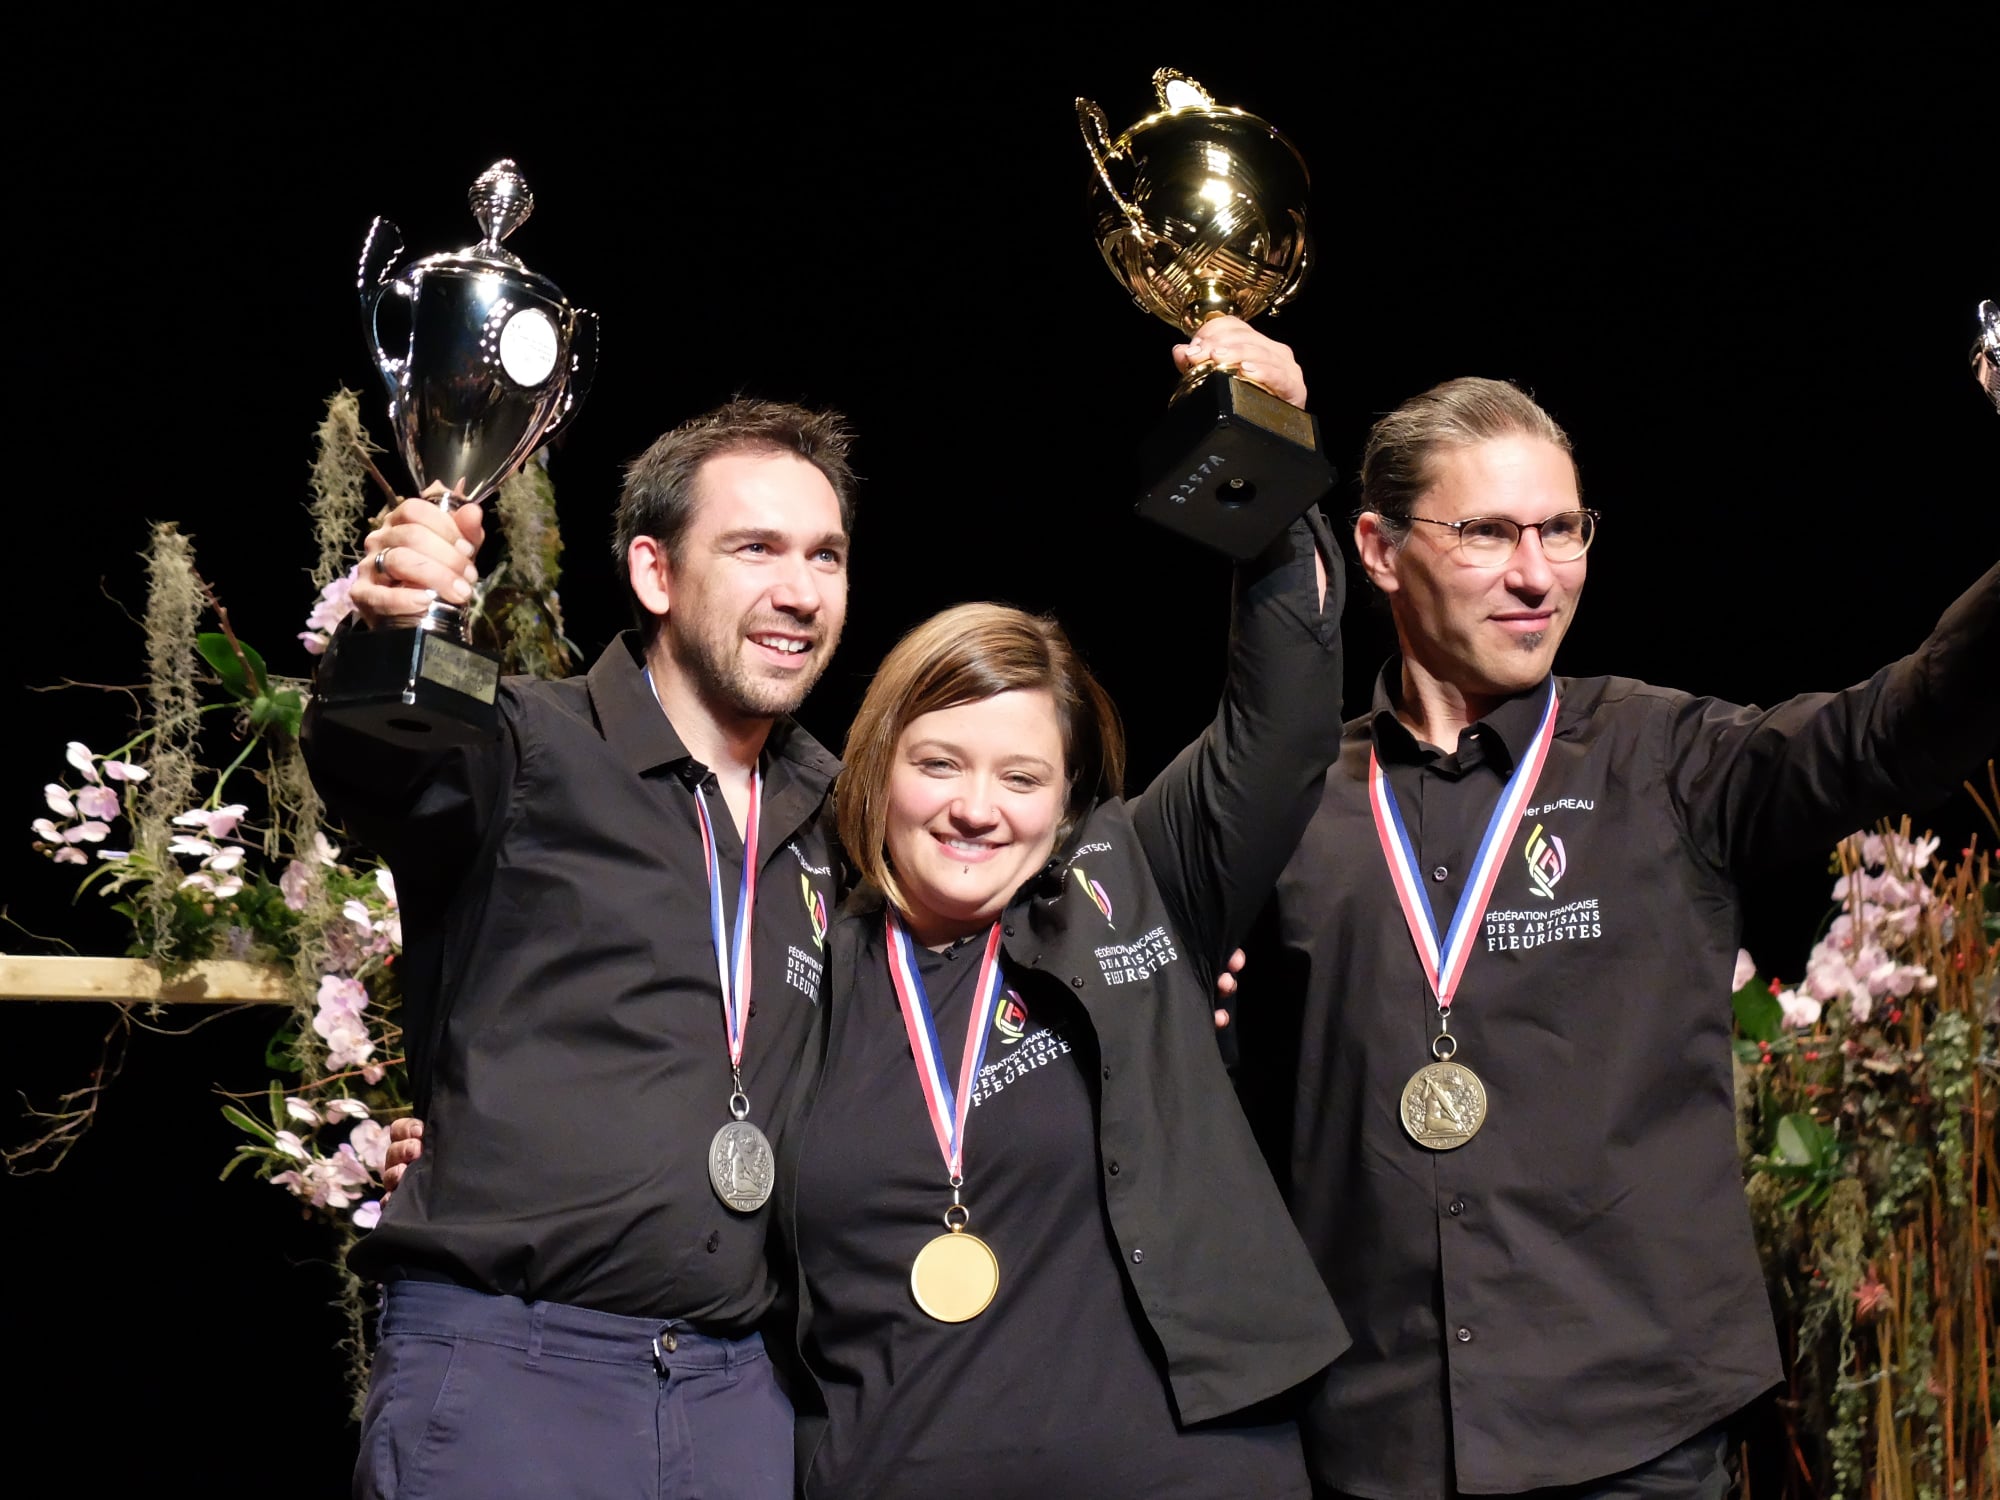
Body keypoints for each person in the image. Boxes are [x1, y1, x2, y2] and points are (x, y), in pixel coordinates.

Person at [1237, 368, 1998, 1497]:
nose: (1535, 575)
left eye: (1560, 530)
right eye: (1487, 533)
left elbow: (1894, 729)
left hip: (1634, 1433)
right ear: (1380, 550)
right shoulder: (1286, 804)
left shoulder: (1664, 761)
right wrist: (1251, 441)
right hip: (1374, 1436)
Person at [304, 399, 857, 1500]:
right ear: (654, 574)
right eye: (754, 549)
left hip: (741, 1394)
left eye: (825, 556)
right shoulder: (521, 737)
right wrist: (399, 629)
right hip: (514, 1374)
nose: (799, 591)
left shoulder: (844, 814)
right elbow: (383, 758)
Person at [780, 507, 1348, 1496]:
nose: (975, 809)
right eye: (938, 764)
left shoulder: (1132, 884)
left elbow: (1284, 725)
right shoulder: (807, 955)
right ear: (877, 765)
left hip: (1181, 1472)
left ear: (1067, 796)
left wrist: (1266, 486)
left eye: (1021, 777)